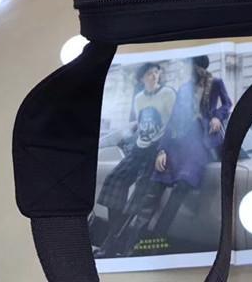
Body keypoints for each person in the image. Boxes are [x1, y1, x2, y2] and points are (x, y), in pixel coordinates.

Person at [140, 55, 233, 244]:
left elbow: (227, 104)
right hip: (180, 141)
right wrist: (162, 150)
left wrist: (217, 116)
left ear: (200, 67)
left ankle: (157, 238)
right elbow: (173, 120)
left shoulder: (216, 83)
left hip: (202, 142)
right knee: (156, 182)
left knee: (183, 184)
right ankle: (138, 240)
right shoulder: (183, 88)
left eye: (191, 66)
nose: (188, 69)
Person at [94, 62, 176, 257]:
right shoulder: (138, 98)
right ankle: (112, 239)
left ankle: (113, 246)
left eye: (156, 72)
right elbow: (141, 125)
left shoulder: (168, 94)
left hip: (157, 149)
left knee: (139, 194)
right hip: (140, 148)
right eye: (149, 74)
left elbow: (174, 124)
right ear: (142, 78)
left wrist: (164, 150)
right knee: (114, 181)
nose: (154, 76)